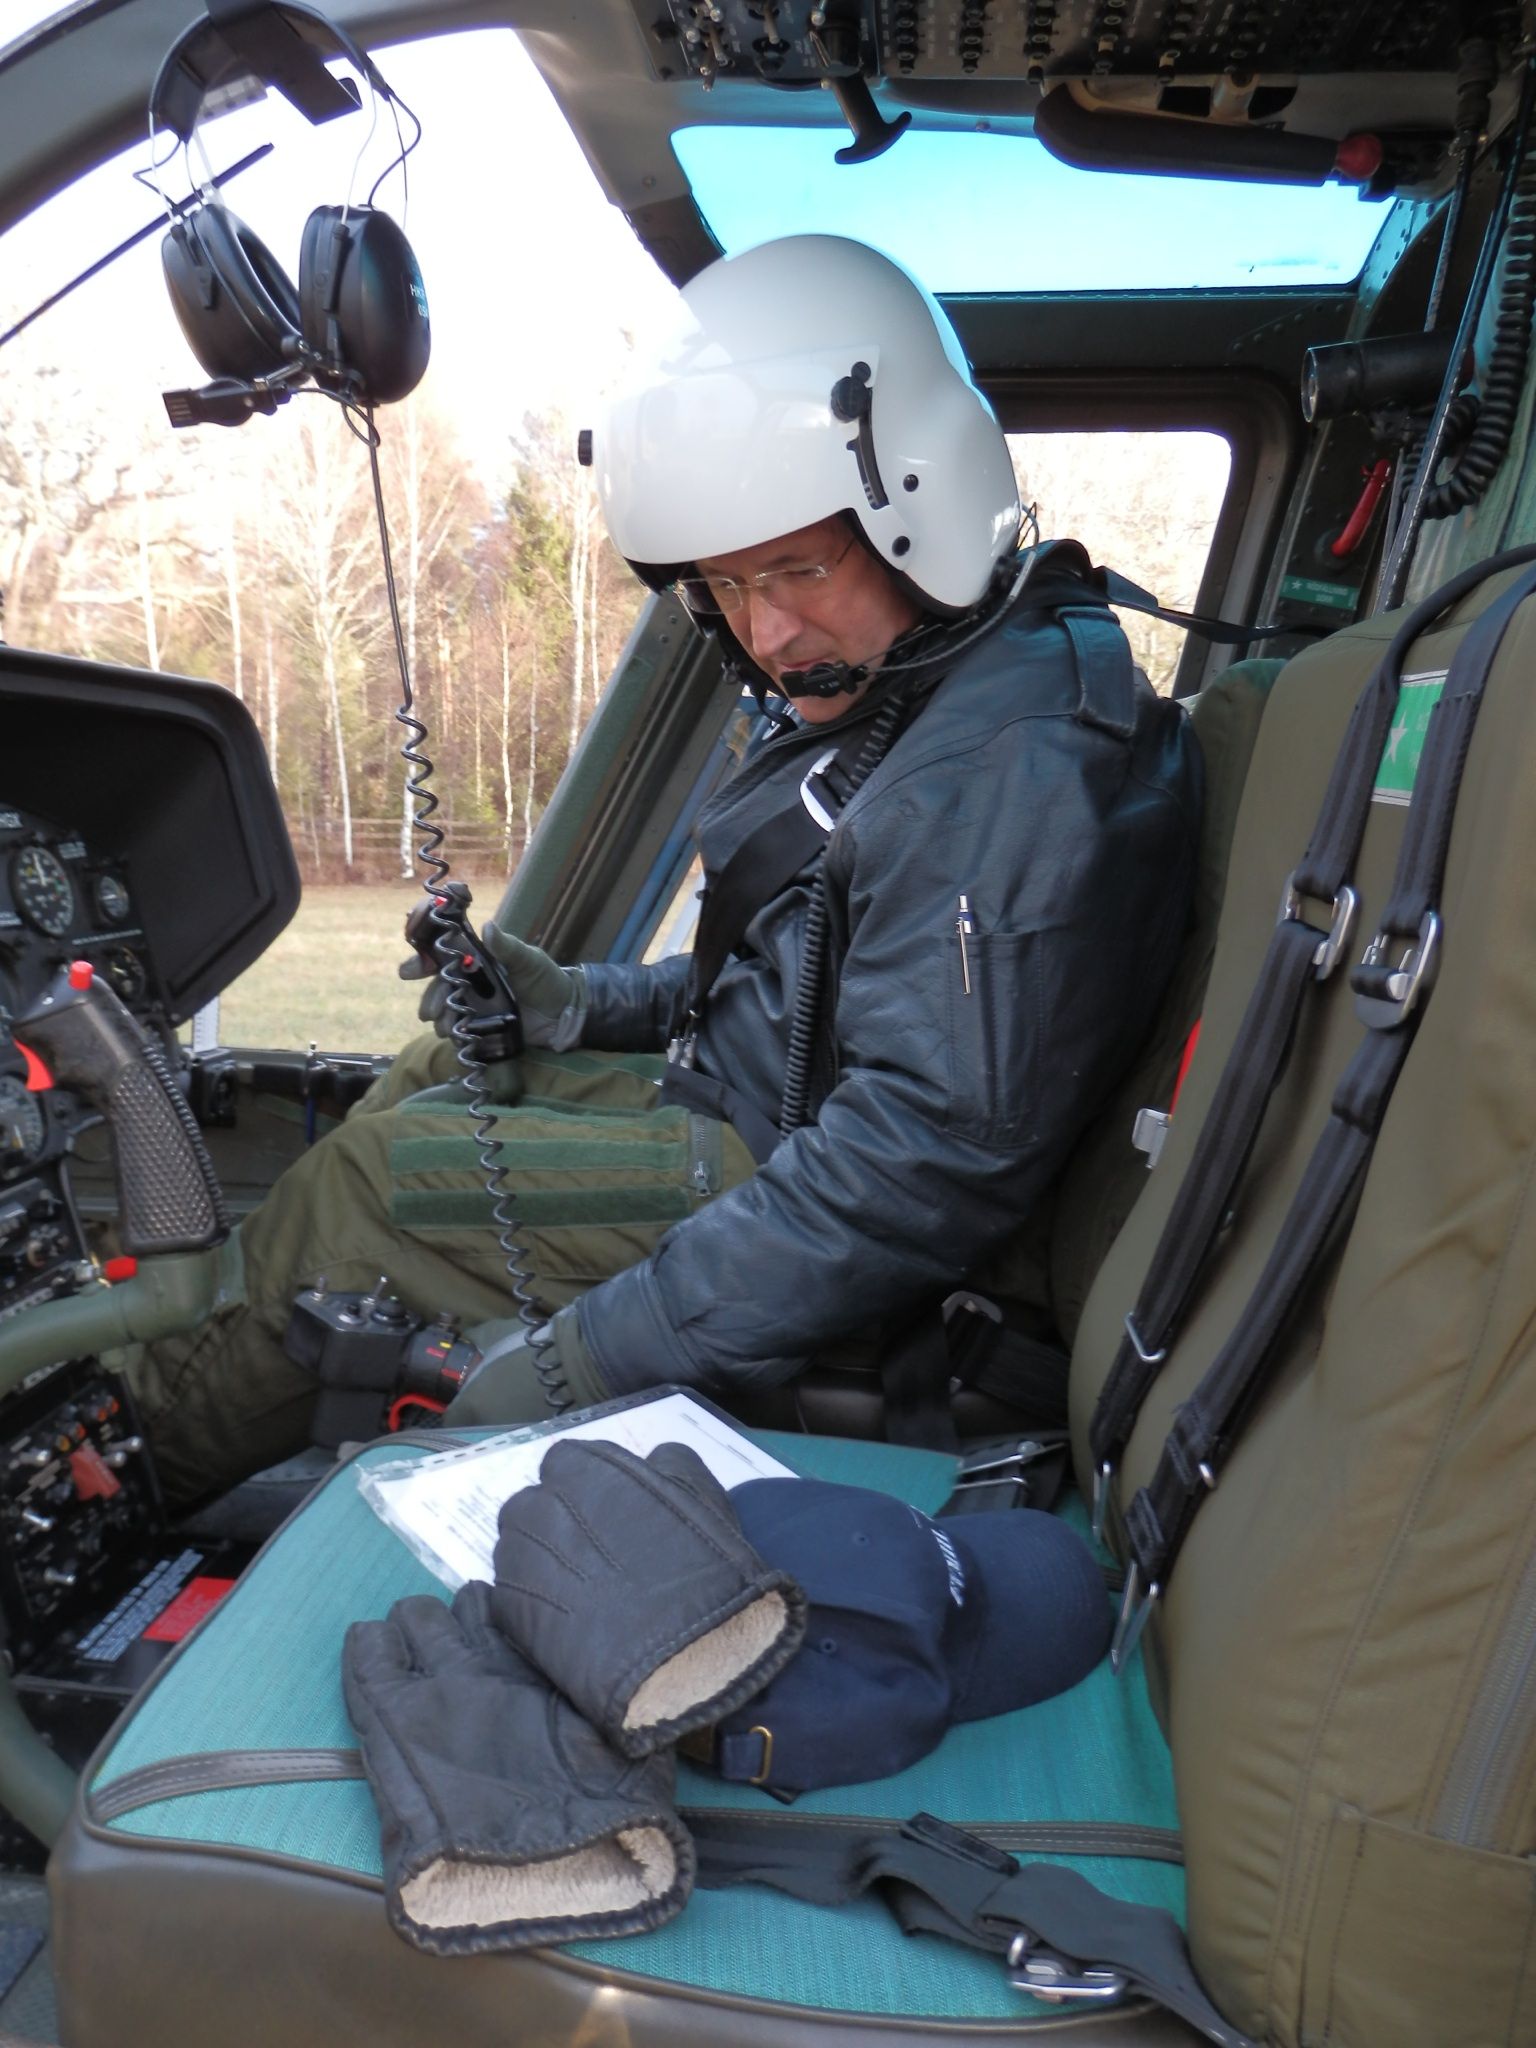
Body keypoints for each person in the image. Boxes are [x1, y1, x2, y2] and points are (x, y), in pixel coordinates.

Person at [128, 233, 1201, 1507]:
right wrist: (576, 1002)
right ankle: (220, 1394)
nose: (768, 631)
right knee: (435, 1067)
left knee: (369, 1191)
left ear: (920, 498)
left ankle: (112, 1478)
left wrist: (584, 1358)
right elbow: (812, 975)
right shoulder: (943, 689)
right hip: (769, 1128)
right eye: (729, 587)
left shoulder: (1005, 767)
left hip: (838, 1223)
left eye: (801, 567)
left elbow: (919, 1162)